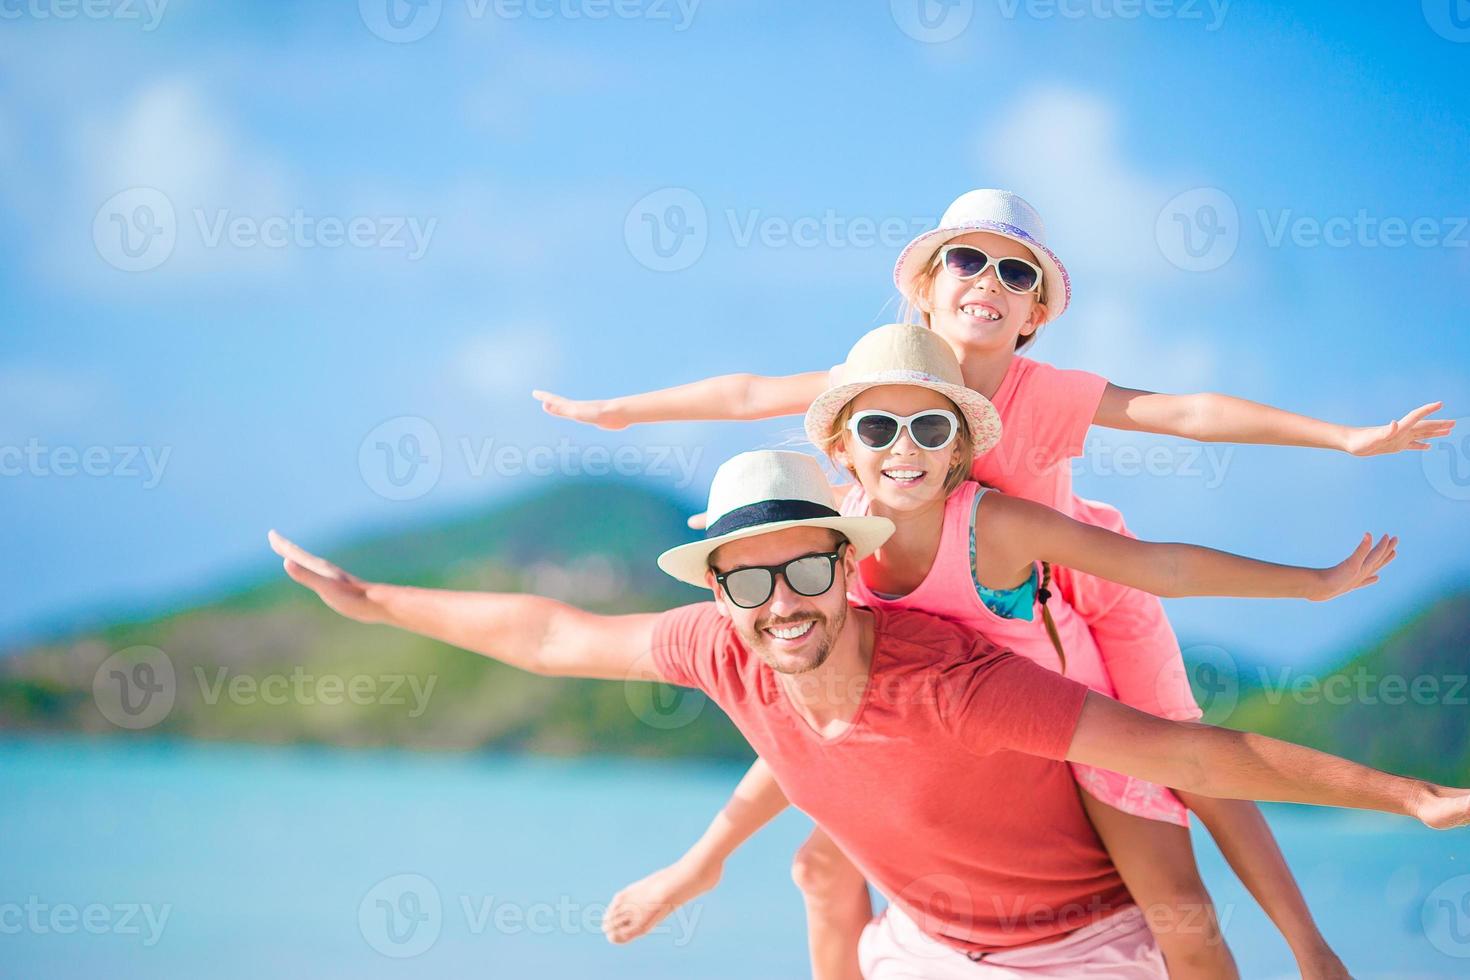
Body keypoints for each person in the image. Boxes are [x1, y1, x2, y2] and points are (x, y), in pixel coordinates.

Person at [529, 189, 1454, 979]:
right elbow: (743, 394)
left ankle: (1310, 945)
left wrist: (1341, 461)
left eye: (1018, 273)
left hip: (1073, 604)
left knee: (1187, 768)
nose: (990, 281)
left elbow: (1188, 417)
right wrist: (621, 410)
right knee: (822, 829)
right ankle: (704, 865)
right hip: (938, 622)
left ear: (1038, 311)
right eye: (967, 258)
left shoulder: (1041, 394)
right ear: (921, 287)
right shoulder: (876, 391)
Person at [268, 449, 1470, 978]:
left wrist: (1403, 793)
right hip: (928, 952)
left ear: (846, 569)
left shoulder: (953, 678)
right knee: (816, 872)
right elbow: (543, 632)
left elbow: (1188, 748)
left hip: (1080, 955)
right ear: (723, 590)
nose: (779, 602)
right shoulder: (722, 648)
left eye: (803, 571)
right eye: (750, 576)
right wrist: (370, 602)